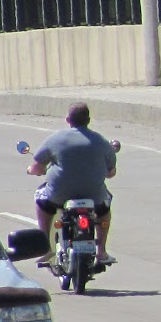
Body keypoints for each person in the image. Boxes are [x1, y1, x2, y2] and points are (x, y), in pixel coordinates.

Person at [27, 101, 118, 264]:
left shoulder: (55, 139)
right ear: (88, 120)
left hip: (59, 195)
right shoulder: (101, 141)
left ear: (68, 120)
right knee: (105, 209)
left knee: (40, 198)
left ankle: (45, 247)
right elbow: (111, 172)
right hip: (94, 196)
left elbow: (36, 168)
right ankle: (101, 251)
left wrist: (31, 170)